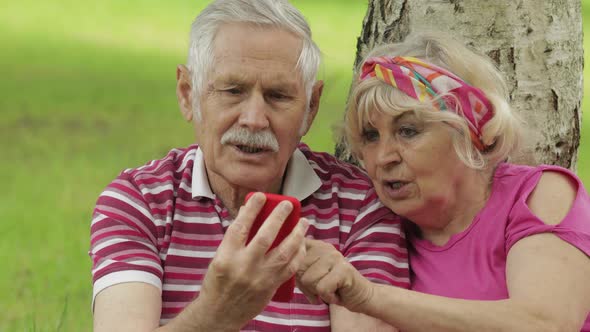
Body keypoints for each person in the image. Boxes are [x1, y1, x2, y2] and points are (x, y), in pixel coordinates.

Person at [89, 1, 409, 331]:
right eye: (233, 91)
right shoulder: (140, 202)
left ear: (310, 108)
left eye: (278, 96)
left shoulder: (359, 206)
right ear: (188, 94)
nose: (254, 120)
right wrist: (217, 313)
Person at [296, 33, 590, 331]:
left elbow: (545, 324)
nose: (383, 157)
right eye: (371, 136)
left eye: (408, 131)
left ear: (467, 130)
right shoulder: (374, 226)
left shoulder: (538, 194)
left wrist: (369, 296)